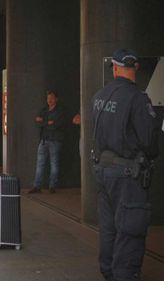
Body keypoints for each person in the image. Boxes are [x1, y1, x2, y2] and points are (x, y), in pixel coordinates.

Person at [92, 48, 159, 281]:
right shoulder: (138, 99)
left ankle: (109, 271)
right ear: (136, 69)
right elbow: (149, 142)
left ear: (115, 67)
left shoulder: (100, 96)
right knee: (130, 228)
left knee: (109, 227)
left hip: (103, 170)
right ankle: (125, 275)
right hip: (128, 175)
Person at [29, 90, 65, 194]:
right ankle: (37, 186)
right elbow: (37, 122)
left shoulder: (60, 111)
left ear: (56, 99)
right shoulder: (44, 110)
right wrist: (47, 123)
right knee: (40, 164)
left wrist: (43, 122)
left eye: (52, 98)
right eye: (48, 98)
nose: (49, 100)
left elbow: (56, 125)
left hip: (55, 140)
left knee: (54, 164)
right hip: (44, 140)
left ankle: (52, 186)